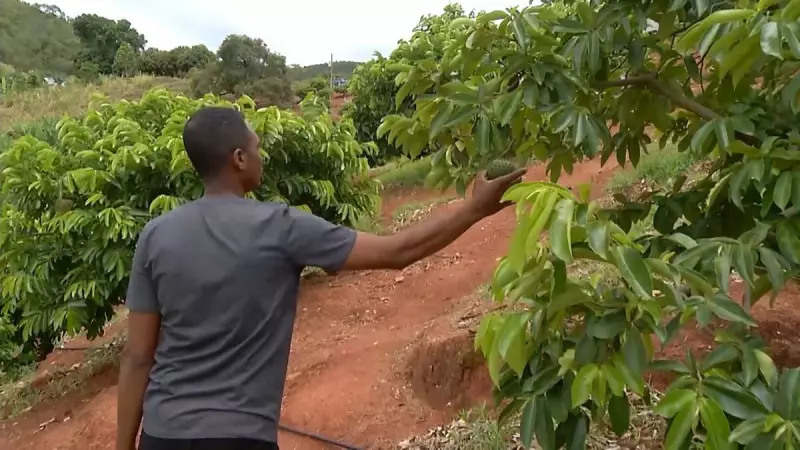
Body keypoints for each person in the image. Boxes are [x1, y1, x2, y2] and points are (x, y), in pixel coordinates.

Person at [116, 106, 526, 450]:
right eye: (257, 148)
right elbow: (397, 252)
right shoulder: (280, 227)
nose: (262, 157)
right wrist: (475, 209)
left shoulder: (156, 235)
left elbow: (137, 356)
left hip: (162, 434)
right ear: (238, 158)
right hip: (240, 437)